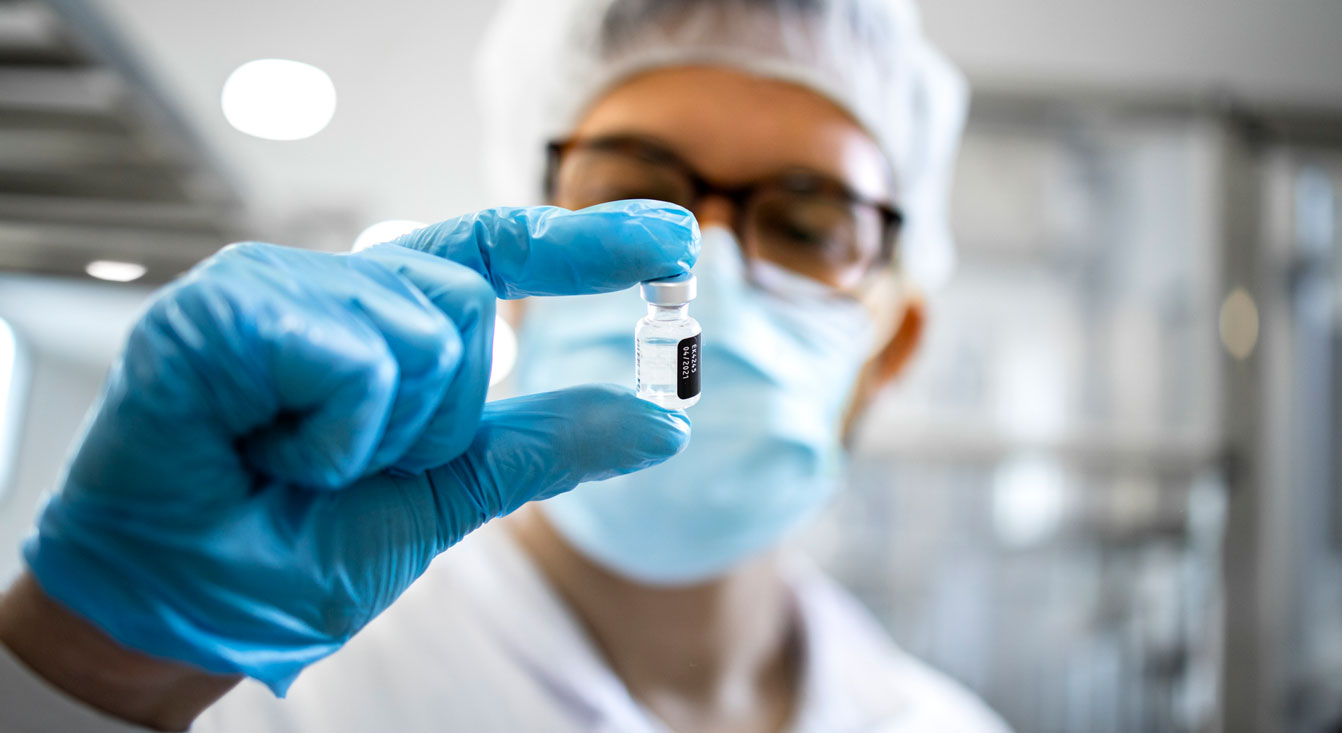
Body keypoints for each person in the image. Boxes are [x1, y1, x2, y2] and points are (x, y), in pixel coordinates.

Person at [0, 0, 1009, 731]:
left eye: (803, 221)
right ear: (526, 274)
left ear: (892, 345)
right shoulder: (271, 687)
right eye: (631, 192)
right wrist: (83, 677)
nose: (710, 268)